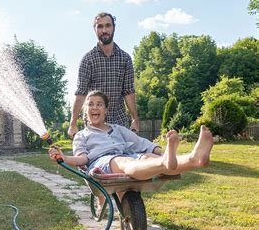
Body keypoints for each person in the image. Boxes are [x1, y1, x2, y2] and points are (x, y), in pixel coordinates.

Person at [50, 91, 214, 182]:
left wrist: (162, 153)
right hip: (104, 161)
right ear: (85, 111)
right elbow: (82, 160)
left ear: (106, 110)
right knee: (124, 162)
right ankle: (171, 161)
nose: (95, 107)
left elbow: (141, 142)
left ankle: (195, 159)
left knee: (148, 157)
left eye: (99, 104)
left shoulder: (118, 129)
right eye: (90, 104)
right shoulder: (82, 135)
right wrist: (64, 158)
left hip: (127, 154)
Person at [68, 12, 139, 138]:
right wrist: (73, 123)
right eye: (100, 26)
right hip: (94, 123)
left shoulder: (125, 59)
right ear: (95, 30)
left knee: (122, 156)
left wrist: (135, 119)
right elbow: (81, 93)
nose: (104, 30)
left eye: (108, 25)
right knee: (97, 157)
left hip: (119, 122)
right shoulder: (88, 59)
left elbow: (129, 92)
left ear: (113, 28)